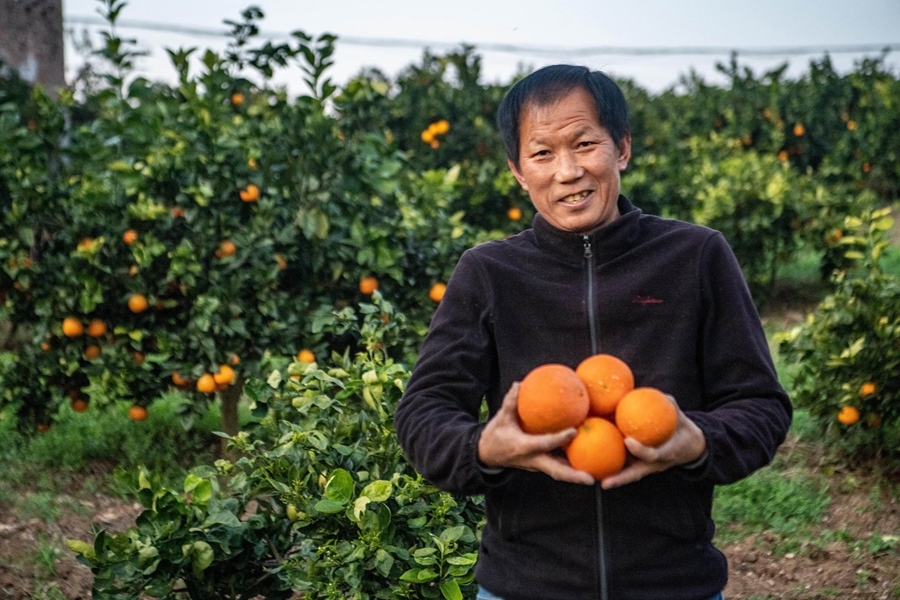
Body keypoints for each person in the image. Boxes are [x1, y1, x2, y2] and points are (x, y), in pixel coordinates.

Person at [393, 64, 792, 600]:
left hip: (673, 584)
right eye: (542, 154)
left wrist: (695, 441)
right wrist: (485, 447)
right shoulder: (488, 273)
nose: (567, 171)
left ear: (621, 148)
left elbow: (761, 405)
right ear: (517, 169)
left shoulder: (695, 257)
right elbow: (423, 414)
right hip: (523, 586)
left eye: (584, 144)